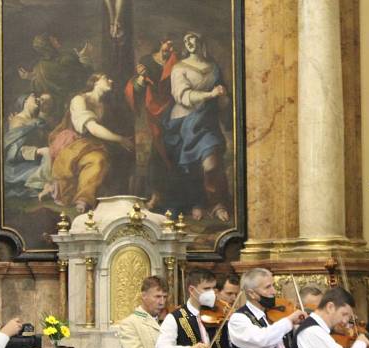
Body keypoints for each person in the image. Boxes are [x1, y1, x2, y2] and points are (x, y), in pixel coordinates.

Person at [165, 31, 231, 222]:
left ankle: (217, 203)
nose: (189, 42)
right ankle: (197, 202)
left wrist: (223, 96)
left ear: (201, 41)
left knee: (211, 164)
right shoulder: (179, 68)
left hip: (207, 121)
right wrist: (210, 95)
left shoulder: (213, 67)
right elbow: (182, 96)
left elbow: (223, 100)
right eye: (185, 39)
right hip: (184, 121)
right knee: (190, 167)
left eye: (193, 38)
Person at [46, 72, 134, 213]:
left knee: (103, 159)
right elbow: (92, 128)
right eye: (106, 78)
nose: (111, 80)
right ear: (95, 82)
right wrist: (120, 139)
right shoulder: (80, 99)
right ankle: (73, 194)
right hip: (74, 144)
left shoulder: (104, 105)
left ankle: (89, 198)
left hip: (92, 145)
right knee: (93, 160)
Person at [124, 37, 178, 209]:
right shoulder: (147, 61)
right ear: (161, 42)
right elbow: (137, 88)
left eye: (173, 45)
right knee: (155, 149)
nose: (170, 48)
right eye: (168, 43)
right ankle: (155, 195)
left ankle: (171, 197)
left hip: (174, 108)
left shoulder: (177, 61)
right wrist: (140, 79)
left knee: (170, 150)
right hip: (152, 109)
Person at [4, 93, 51, 199]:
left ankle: (47, 188)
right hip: (19, 167)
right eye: (34, 96)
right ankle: (46, 187)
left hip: (38, 161)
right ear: (25, 101)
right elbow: (13, 151)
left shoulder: (40, 122)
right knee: (47, 155)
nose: (38, 99)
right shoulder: (17, 121)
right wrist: (37, 151)